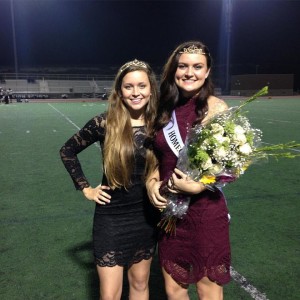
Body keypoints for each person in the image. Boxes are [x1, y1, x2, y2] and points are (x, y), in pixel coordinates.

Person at [60, 59, 160, 300]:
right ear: (119, 90)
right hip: (111, 218)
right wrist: (86, 189)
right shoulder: (104, 122)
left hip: (146, 215)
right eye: (129, 87)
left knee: (139, 284)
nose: (136, 92)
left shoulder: (160, 124)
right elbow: (67, 151)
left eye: (141, 86)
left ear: (151, 89)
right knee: (110, 294)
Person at [146, 41, 231, 300]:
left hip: (205, 212)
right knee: (174, 290)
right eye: (183, 66)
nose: (189, 72)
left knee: (208, 288)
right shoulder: (162, 109)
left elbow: (230, 164)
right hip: (170, 212)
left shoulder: (217, 108)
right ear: (174, 70)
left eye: (197, 67)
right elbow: (154, 155)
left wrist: (198, 185)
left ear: (206, 72)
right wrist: (151, 182)